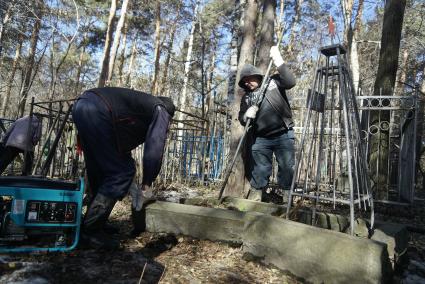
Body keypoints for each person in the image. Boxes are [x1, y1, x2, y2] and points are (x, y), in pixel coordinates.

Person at [72, 87, 175, 249]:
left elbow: (120, 146)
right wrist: (146, 184)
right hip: (98, 110)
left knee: (101, 171)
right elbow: (155, 147)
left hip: (82, 106)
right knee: (121, 172)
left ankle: (94, 222)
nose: (168, 128)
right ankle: (90, 231)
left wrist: (129, 180)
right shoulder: (161, 109)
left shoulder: (139, 108)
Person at [238, 46, 296, 202]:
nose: (248, 83)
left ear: (256, 76)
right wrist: (246, 115)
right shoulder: (246, 98)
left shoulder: (273, 82)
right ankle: (257, 196)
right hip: (260, 138)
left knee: (286, 167)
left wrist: (279, 61)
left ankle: (287, 198)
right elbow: (241, 118)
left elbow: (290, 82)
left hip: (283, 133)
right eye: (244, 81)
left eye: (249, 78)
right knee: (260, 169)